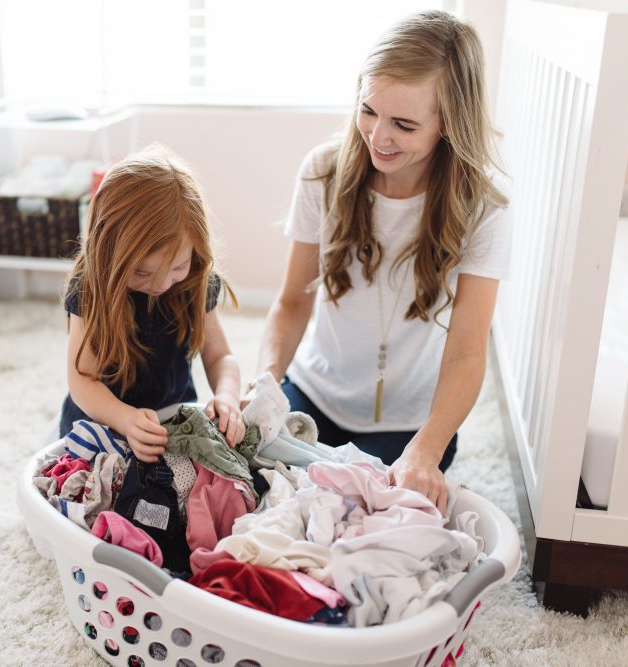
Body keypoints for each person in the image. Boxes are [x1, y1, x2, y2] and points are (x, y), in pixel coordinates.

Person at [252, 10, 512, 513]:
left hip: (412, 427)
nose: (378, 137)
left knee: (369, 517)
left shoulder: (484, 209)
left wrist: (428, 449)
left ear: (450, 123)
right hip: (313, 398)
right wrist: (265, 383)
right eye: (368, 110)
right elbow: (289, 304)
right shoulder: (323, 173)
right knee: (263, 500)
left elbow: (466, 353)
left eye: (405, 124)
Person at [60, 145, 245, 461]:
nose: (160, 284)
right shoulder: (91, 289)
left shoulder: (195, 281)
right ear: (108, 255)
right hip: (103, 422)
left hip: (173, 417)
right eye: (142, 271)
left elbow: (220, 356)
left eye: (177, 267)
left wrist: (227, 395)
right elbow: (82, 379)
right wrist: (124, 418)